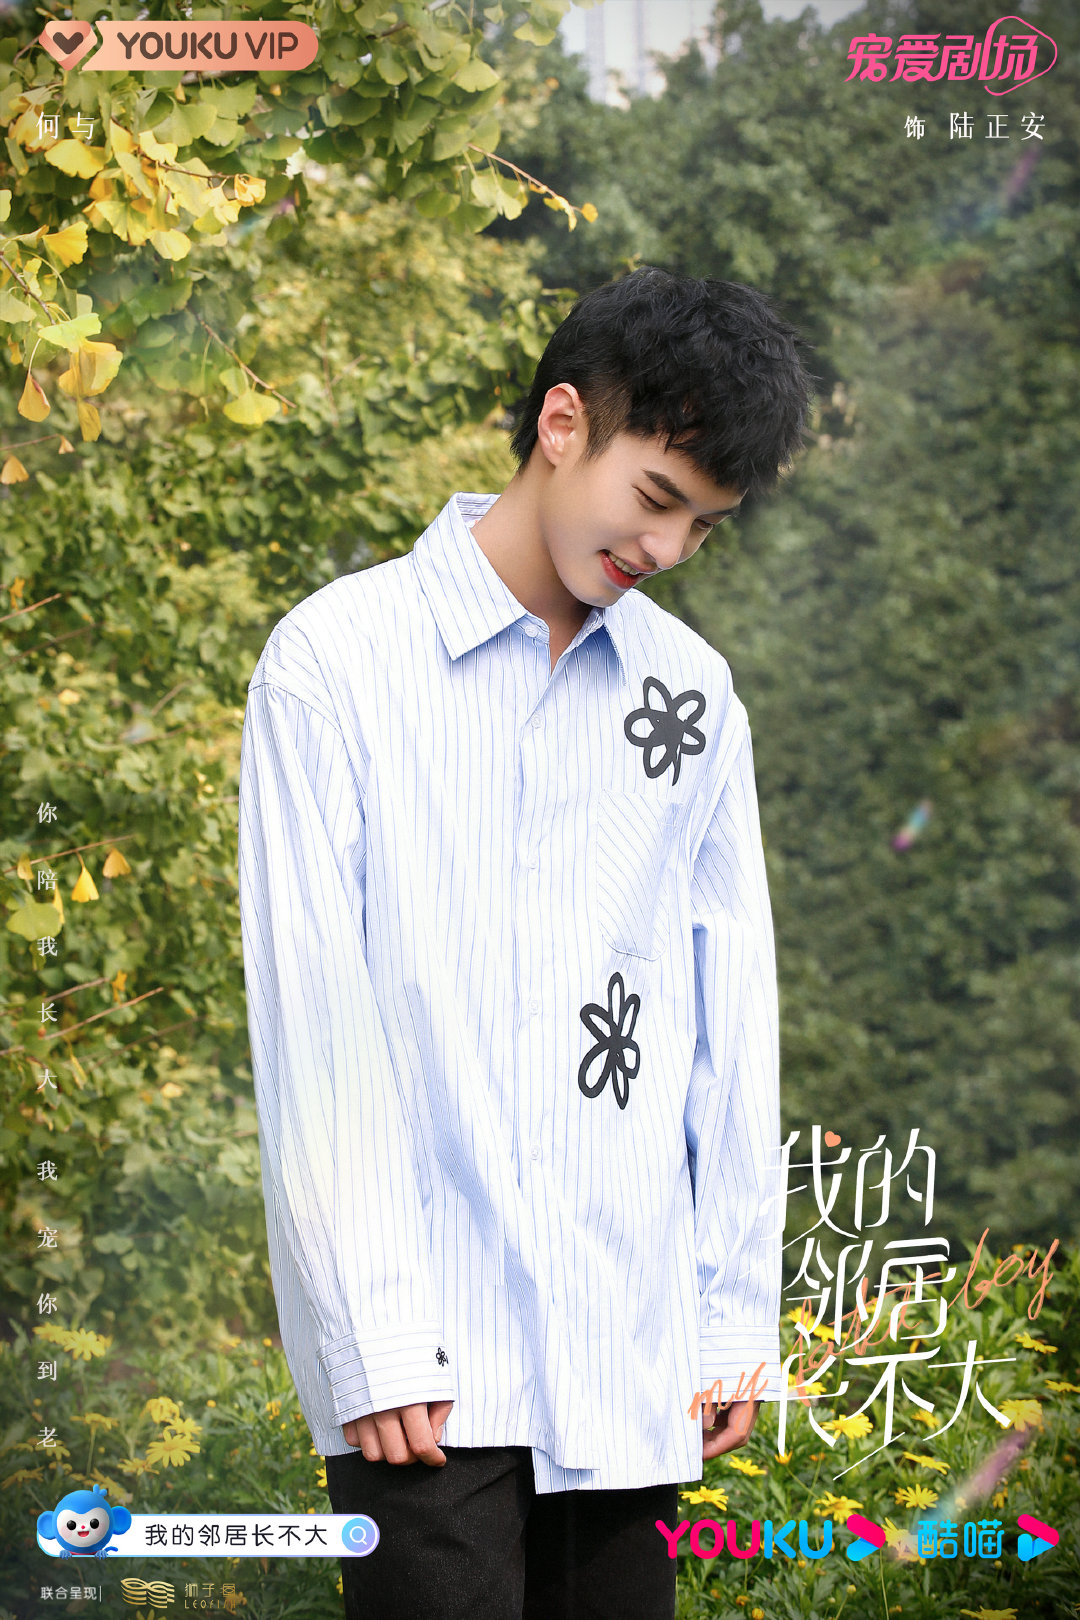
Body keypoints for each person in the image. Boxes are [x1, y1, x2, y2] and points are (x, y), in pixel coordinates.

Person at [237, 267, 813, 1620]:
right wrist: (372, 1329)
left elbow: (731, 1019)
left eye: (703, 525)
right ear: (563, 424)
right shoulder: (337, 664)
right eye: (655, 498)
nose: (667, 549)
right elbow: (315, 1022)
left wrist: (732, 1316)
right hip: (426, 1372)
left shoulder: (692, 699)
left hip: (630, 1353)